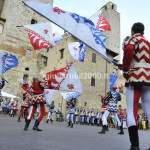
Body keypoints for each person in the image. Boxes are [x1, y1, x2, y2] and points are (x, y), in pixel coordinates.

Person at [119, 22, 150, 150]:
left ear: (132, 31)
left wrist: (125, 68)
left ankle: (135, 146)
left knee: (131, 111)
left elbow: (129, 50)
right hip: (148, 79)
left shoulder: (132, 39)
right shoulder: (148, 43)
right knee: (149, 109)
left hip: (135, 78)